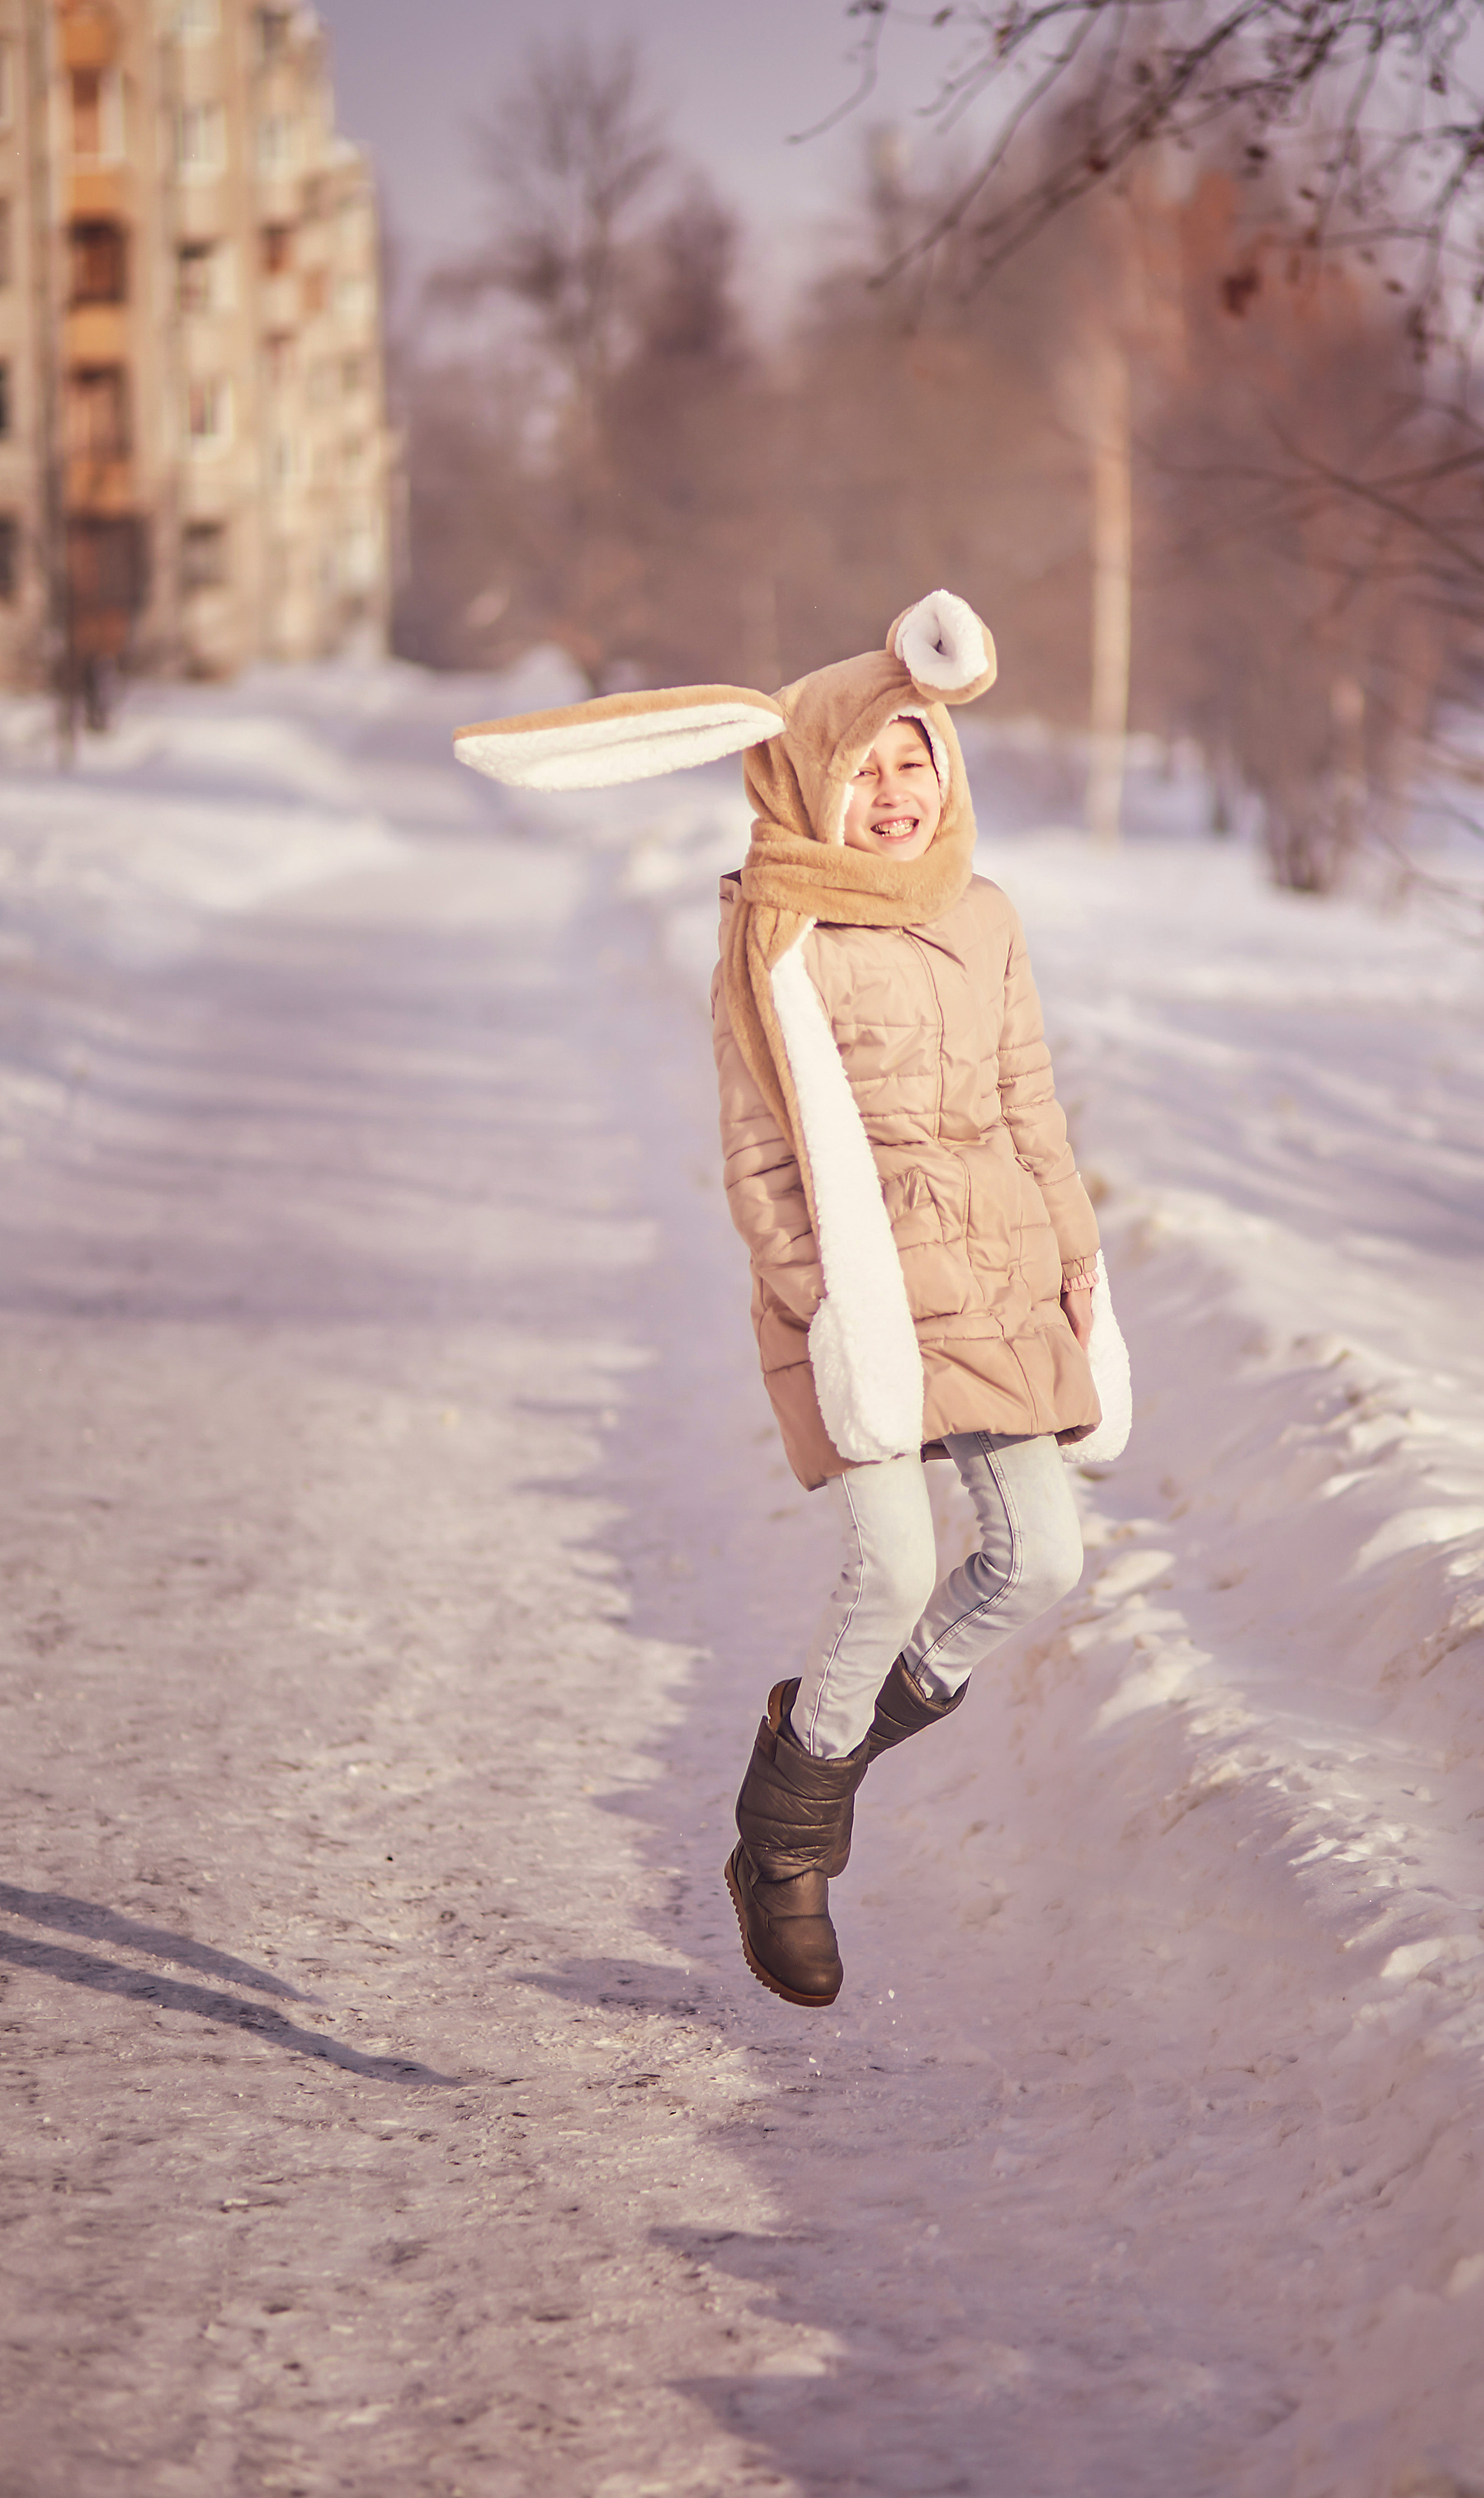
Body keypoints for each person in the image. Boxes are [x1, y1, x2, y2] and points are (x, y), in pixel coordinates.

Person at [450, 590, 1129, 2013]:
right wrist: (823, 1299)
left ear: (948, 767)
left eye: (914, 759)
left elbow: (1027, 1099)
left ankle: (807, 1759)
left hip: (998, 1272)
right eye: (865, 766)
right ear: (812, 778)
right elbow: (757, 1151)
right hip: (865, 1293)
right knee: (888, 1564)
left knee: (1042, 1560)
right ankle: (789, 1848)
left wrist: (1074, 1253)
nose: (893, 791)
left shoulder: (986, 913)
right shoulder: (773, 938)